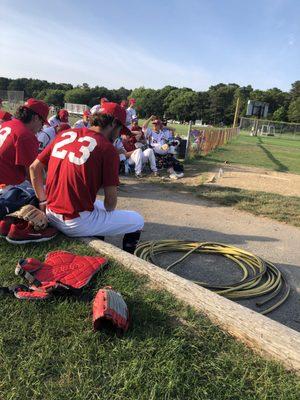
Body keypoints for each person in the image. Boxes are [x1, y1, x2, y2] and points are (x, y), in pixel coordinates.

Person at [30, 102, 144, 253]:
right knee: (137, 220)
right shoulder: (108, 149)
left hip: (50, 211)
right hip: (75, 222)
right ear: (113, 124)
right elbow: (111, 204)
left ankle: (99, 235)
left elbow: (34, 168)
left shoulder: (65, 134)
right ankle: (131, 258)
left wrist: (43, 201)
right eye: (120, 129)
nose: (119, 134)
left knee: (97, 205)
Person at [0, 98, 49, 191]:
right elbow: (33, 173)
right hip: (5, 188)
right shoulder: (26, 135)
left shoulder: (8, 124)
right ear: (35, 118)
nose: (42, 128)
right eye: (42, 123)